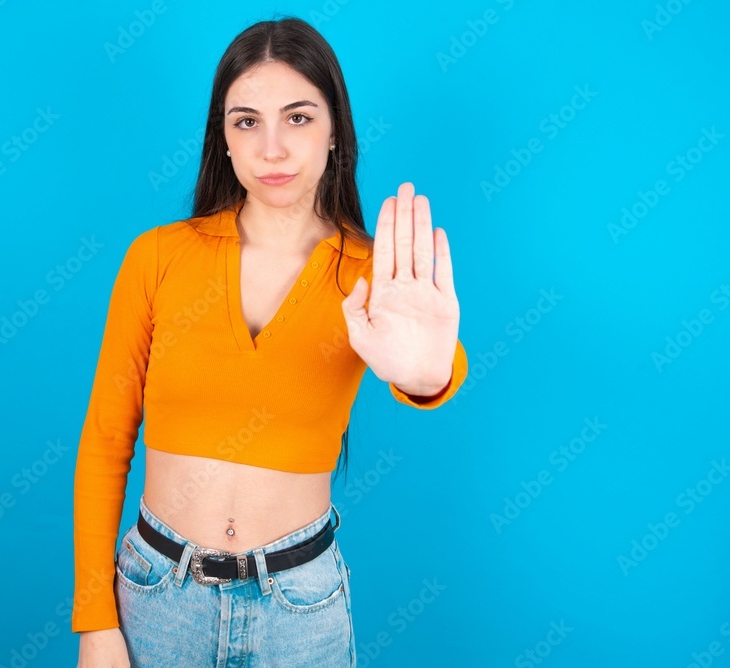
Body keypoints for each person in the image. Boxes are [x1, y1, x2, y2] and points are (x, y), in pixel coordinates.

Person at [73, 16, 468, 668]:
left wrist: (426, 375)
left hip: (300, 610)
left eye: (299, 117)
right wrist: (95, 621)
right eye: (247, 121)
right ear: (222, 138)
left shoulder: (372, 275)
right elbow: (105, 440)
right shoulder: (158, 258)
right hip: (154, 599)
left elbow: (435, 365)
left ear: (336, 128)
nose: (272, 150)